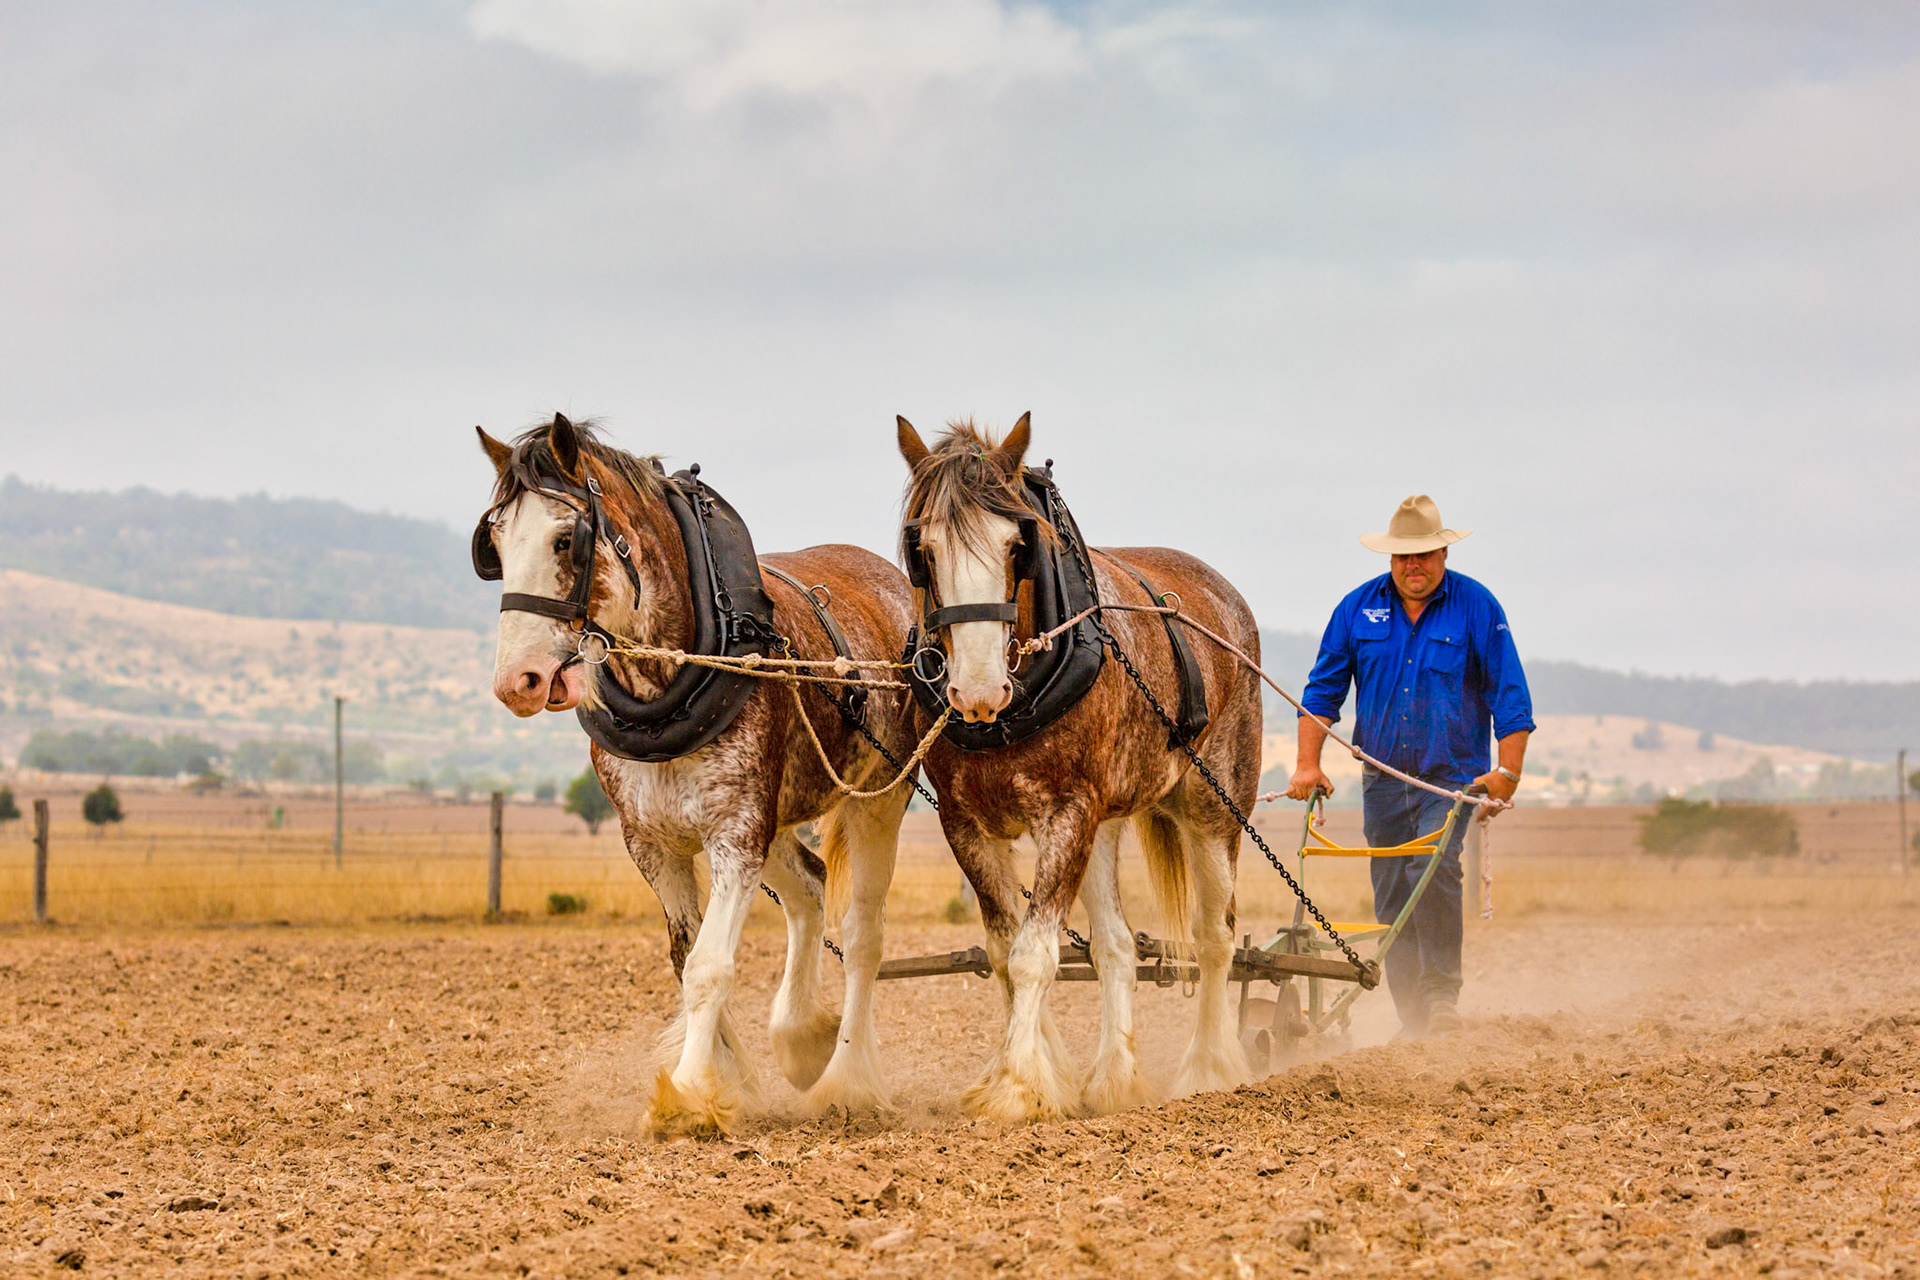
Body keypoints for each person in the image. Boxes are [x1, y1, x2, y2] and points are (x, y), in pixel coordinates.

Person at [1286, 494, 1533, 1037]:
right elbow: (1322, 692)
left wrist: (1507, 774)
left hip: (1450, 780)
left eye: (1422, 554)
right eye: (1402, 556)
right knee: (1392, 891)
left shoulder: (1477, 607)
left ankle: (1441, 998)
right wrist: (1307, 764)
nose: (1412, 565)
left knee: (1432, 868)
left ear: (1443, 553)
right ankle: (1412, 1018)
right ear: (1390, 558)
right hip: (1381, 780)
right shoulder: (1356, 609)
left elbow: (1510, 695)